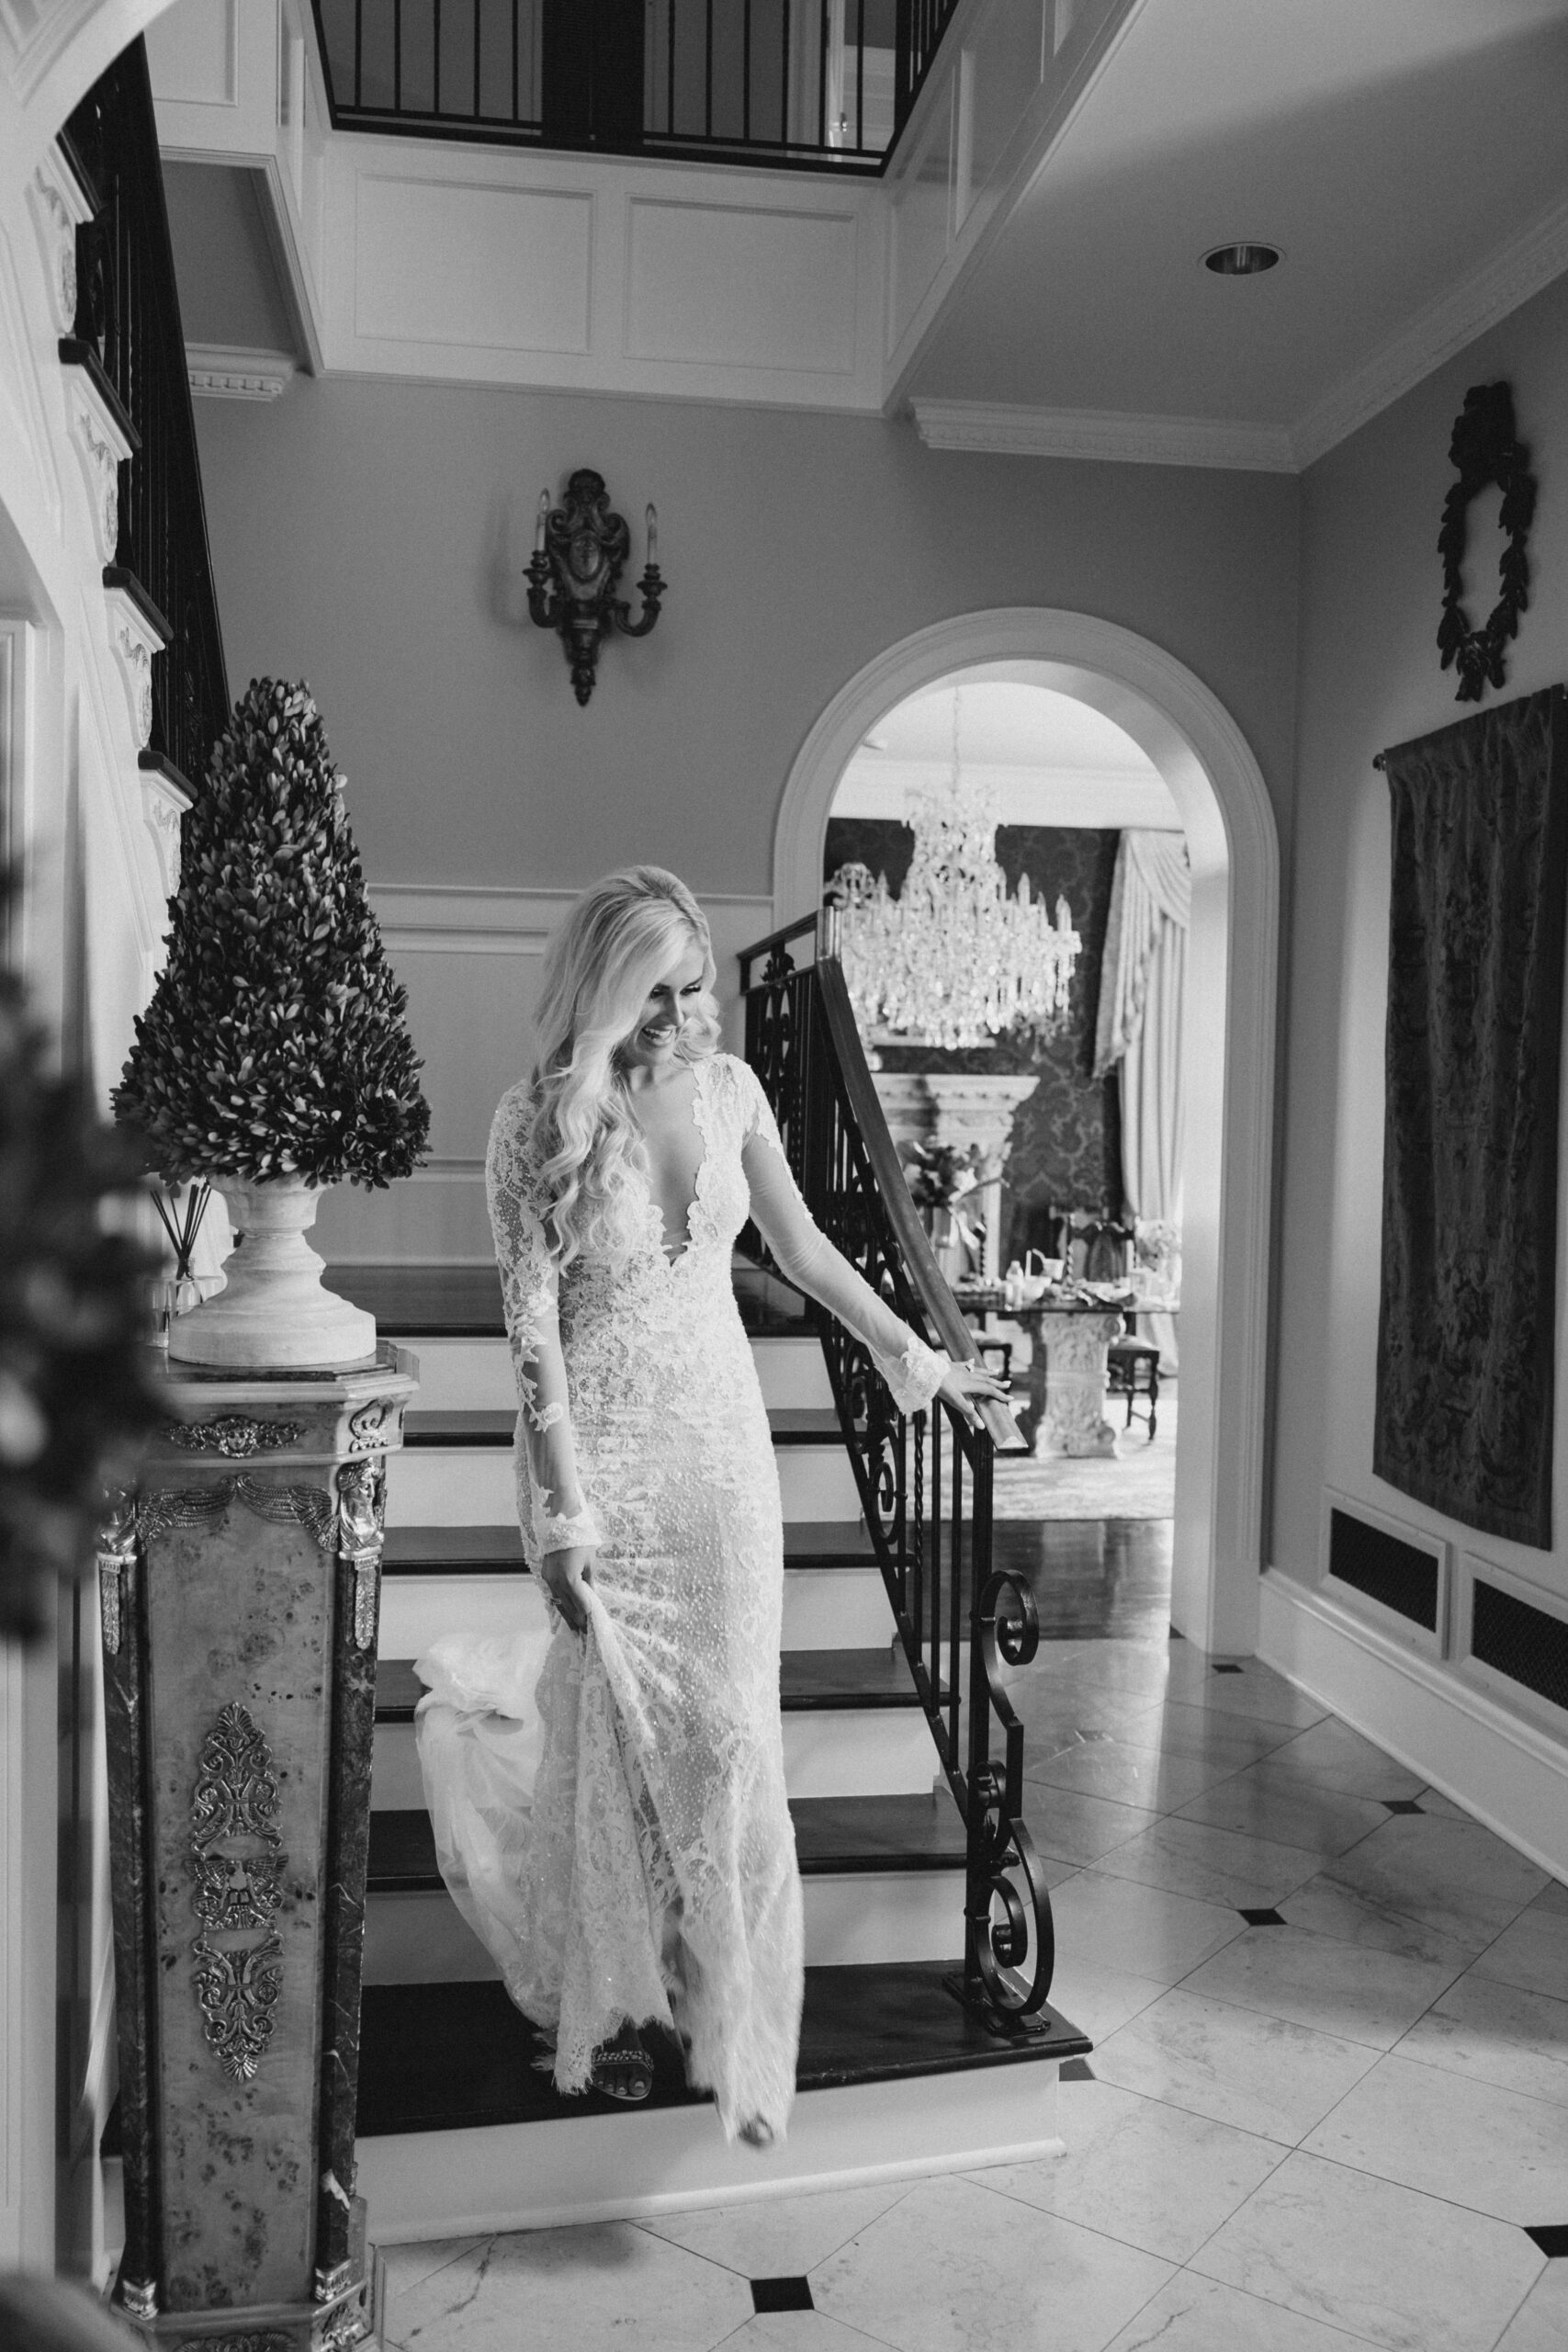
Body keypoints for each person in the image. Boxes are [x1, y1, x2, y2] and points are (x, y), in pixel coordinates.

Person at [414, 866, 1007, 2146]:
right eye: (661, 991)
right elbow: (534, 1334)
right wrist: (561, 1510)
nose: (689, 1013)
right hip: (601, 1459)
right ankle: (615, 2012)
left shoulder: (734, 1093)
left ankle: (730, 2014)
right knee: (617, 1739)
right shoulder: (538, 1122)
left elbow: (802, 1253)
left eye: (700, 985)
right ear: (606, 990)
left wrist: (922, 1363)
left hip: (722, 1452)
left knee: (732, 1731)